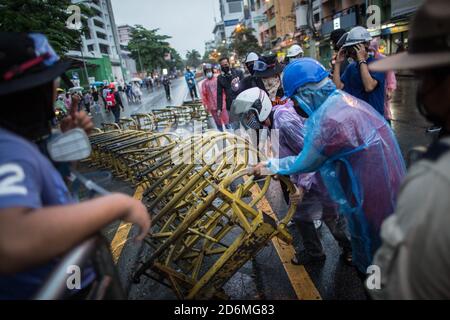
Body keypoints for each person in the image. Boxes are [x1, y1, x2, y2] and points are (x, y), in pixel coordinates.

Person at [0, 32, 150, 299]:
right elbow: (11, 240)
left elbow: (50, 194)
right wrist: (117, 204)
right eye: (52, 83)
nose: (56, 91)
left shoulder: (20, 143)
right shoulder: (9, 148)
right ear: (34, 90)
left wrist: (67, 144)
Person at [252, 58, 406, 274]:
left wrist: (270, 165)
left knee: (375, 262)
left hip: (369, 198)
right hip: (387, 189)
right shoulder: (343, 102)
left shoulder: (330, 120)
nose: (295, 105)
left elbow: (305, 160)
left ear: (308, 93)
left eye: (296, 99)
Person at [368, 0, 450, 299]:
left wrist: (373, 275)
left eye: (425, 76)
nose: (421, 87)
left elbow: (393, 287)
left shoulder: (434, 181)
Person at [234, 87, 353, 265]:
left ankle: (351, 249)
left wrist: (303, 187)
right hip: (302, 176)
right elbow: (280, 153)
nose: (247, 121)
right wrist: (276, 170)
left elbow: (312, 151)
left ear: (260, 108)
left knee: (332, 218)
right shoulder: (270, 123)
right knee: (301, 216)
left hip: (320, 176)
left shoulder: (283, 120)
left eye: (248, 115)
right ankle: (314, 253)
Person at [332, 26, 386, 117]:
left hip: (374, 118)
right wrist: (337, 63)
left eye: (356, 47)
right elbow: (337, 88)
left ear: (366, 45)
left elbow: (369, 86)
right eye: (350, 49)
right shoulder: (351, 67)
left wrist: (361, 59)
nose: (352, 53)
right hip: (357, 118)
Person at [369, 38, 397, 125]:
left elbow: (390, 75)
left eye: (372, 50)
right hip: (371, 90)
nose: (371, 52)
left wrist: (390, 89)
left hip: (382, 90)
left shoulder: (383, 59)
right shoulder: (367, 59)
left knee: (384, 112)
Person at [217, 57, 244, 126]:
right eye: (222, 66)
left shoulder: (238, 73)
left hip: (242, 103)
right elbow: (219, 94)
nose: (224, 67)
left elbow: (245, 87)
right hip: (230, 106)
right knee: (236, 128)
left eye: (225, 65)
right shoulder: (220, 78)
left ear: (229, 64)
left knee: (247, 126)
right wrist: (219, 108)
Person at [201, 64, 229, 131]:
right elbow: (204, 96)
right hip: (213, 108)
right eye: (207, 71)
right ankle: (222, 138)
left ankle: (231, 138)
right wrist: (206, 106)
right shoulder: (204, 84)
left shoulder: (218, 80)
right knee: (218, 125)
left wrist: (226, 101)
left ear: (212, 71)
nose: (208, 73)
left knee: (227, 123)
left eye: (209, 71)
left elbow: (224, 91)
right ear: (205, 73)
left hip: (222, 106)